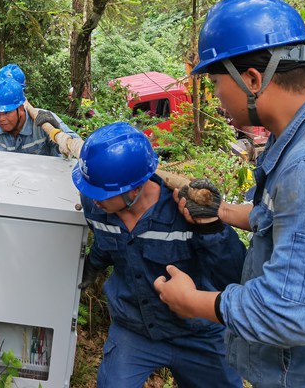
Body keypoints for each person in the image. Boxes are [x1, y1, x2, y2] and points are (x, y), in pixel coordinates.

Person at [153, 0, 305, 385]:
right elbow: (281, 219)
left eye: (218, 84)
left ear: (252, 80)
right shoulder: (301, 133)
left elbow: (290, 311)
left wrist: (194, 302)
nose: (217, 98)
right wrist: (218, 211)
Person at [73, 122, 244, 387]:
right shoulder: (96, 203)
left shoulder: (184, 213)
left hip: (198, 332)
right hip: (134, 327)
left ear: (134, 188)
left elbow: (233, 275)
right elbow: (107, 244)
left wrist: (213, 229)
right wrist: (92, 266)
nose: (93, 199)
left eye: (102, 194)